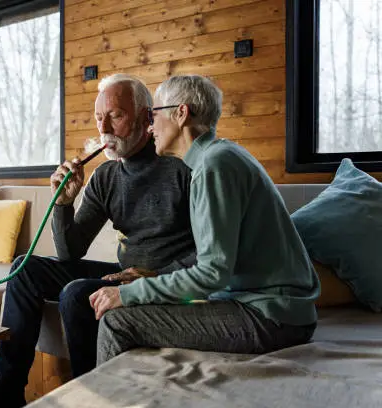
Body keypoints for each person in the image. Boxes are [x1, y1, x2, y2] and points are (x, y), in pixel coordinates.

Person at [0, 73, 196, 408]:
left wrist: (156, 275)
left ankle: (90, 397)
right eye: (99, 118)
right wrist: (64, 203)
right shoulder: (106, 175)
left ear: (145, 118)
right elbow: (70, 251)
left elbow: (210, 251)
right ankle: (5, 394)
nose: (104, 129)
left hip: (163, 282)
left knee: (77, 294)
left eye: (116, 116)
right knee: (25, 267)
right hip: (123, 274)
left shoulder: (181, 168)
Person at [91, 74, 320, 368]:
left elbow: (213, 273)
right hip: (265, 307)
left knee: (116, 322)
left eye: (154, 114)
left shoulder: (214, 166)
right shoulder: (219, 157)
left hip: (270, 317)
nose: (150, 126)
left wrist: (128, 294)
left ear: (181, 113)